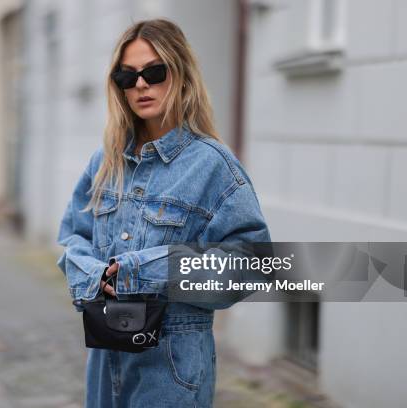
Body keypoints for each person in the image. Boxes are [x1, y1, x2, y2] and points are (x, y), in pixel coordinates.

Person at [57, 18, 271, 407]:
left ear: (181, 75)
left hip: (171, 371)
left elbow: (250, 264)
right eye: (127, 76)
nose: (141, 85)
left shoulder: (213, 166)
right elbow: (73, 239)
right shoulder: (105, 163)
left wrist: (146, 271)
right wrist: (95, 277)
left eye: (154, 72)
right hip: (104, 362)